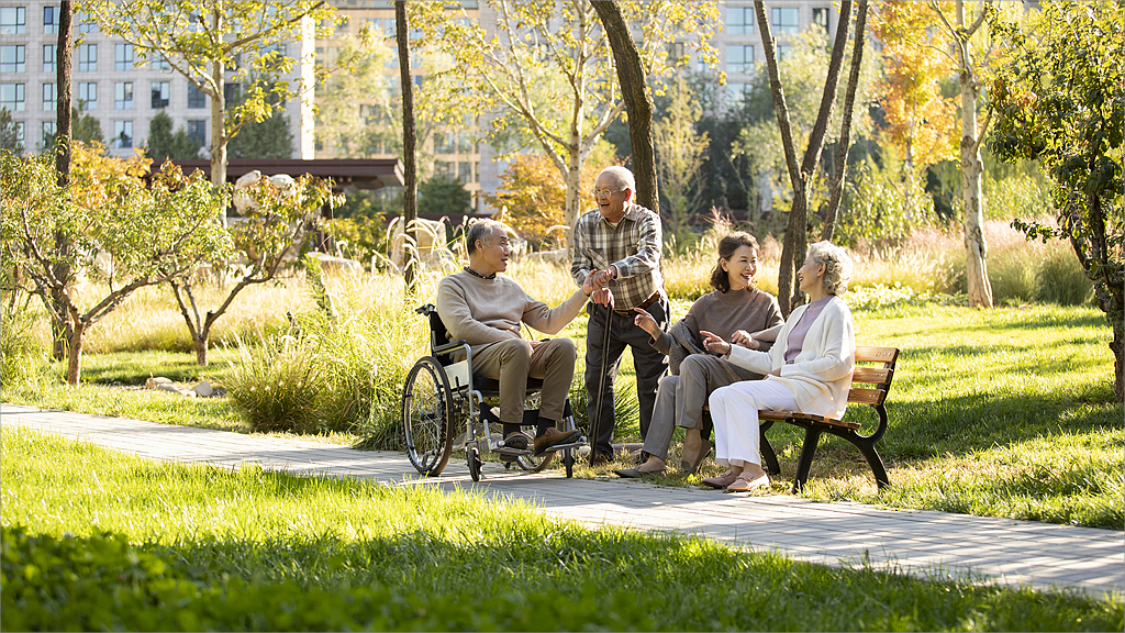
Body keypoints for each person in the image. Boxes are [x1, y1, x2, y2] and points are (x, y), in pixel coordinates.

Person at [614, 232, 783, 478]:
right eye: (743, 260)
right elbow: (676, 345)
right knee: (671, 383)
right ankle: (655, 459)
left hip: (749, 378)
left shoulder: (766, 303)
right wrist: (654, 331)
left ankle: (694, 438)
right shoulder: (705, 304)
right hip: (710, 378)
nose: (750, 267)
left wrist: (753, 342)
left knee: (695, 362)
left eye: (754, 260)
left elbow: (781, 347)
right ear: (725, 264)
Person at [699, 241, 856, 492]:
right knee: (720, 395)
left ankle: (754, 471)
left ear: (821, 269)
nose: (800, 270)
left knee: (739, 394)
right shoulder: (799, 312)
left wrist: (788, 371)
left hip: (813, 393)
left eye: (805, 263)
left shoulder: (836, 310)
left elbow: (839, 364)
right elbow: (772, 362)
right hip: (788, 386)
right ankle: (736, 468)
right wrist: (729, 350)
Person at [436, 219, 600, 456]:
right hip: (475, 356)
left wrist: (584, 292)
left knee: (564, 347)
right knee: (517, 348)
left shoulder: (512, 288)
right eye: (502, 243)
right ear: (480, 246)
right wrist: (510, 341)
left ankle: (546, 430)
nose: (508, 250)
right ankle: (511, 431)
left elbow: (550, 322)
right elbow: (462, 328)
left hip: (516, 353)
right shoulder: (452, 285)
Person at [571, 166, 669, 466]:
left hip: (646, 308)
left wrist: (611, 272)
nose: (600, 197)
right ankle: (600, 451)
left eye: (606, 192)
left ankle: (653, 454)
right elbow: (578, 267)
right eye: (597, 191)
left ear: (627, 194)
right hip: (605, 312)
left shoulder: (646, 220)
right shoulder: (585, 223)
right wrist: (592, 286)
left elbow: (649, 257)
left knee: (651, 384)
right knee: (597, 379)